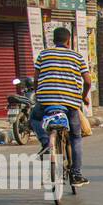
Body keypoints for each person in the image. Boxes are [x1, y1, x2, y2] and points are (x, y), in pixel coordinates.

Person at [30, 25, 91, 187]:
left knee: (34, 118)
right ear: (68, 41)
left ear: (53, 40)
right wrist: (83, 97)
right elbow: (87, 81)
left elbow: (36, 79)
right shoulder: (77, 56)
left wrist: (39, 93)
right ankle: (76, 175)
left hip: (46, 101)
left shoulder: (43, 54)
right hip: (70, 102)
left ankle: (45, 142)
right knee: (75, 137)